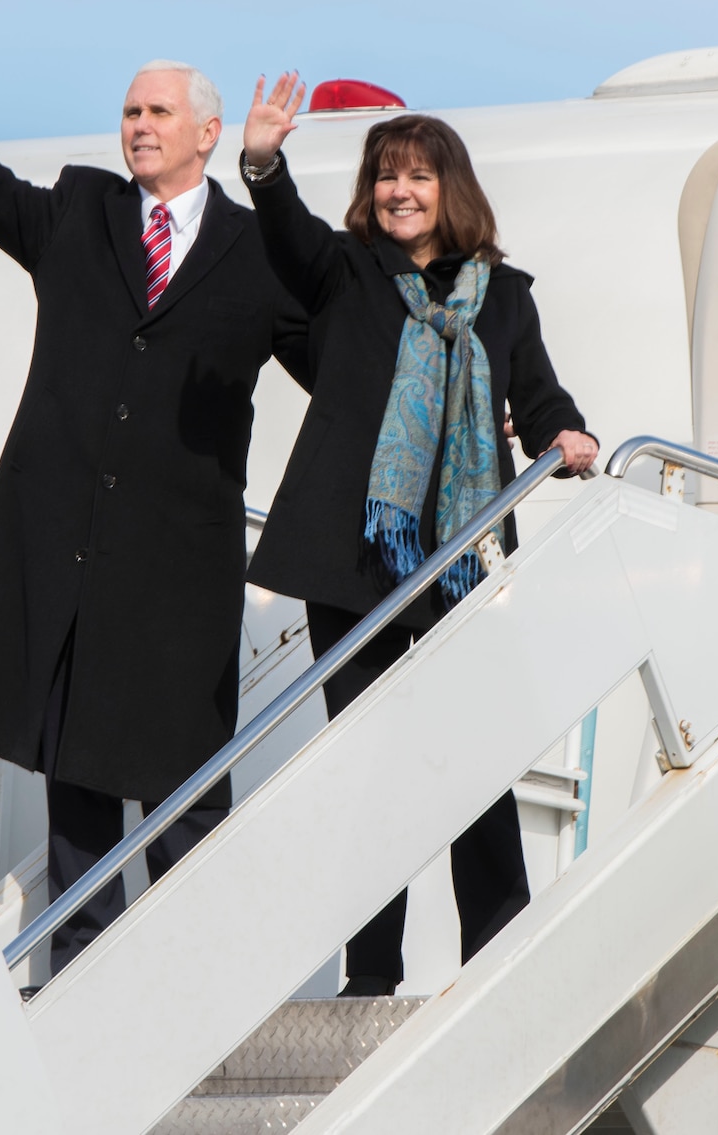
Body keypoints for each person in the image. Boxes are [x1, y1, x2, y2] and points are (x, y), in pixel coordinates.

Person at [0, 0, 307, 973]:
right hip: (72, 552)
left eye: (156, 112)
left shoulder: (254, 256)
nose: (136, 127)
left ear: (207, 134)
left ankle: (200, 977)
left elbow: (337, 361)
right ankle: (81, 966)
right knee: (76, 789)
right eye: (127, 112)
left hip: (179, 563)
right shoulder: (79, 214)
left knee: (186, 787)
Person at [237, 71, 599, 996]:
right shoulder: (348, 273)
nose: (400, 192)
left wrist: (570, 429)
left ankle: (500, 953)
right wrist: (265, 165)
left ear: (452, 191)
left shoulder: (506, 297)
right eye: (386, 176)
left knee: (473, 759)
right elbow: (287, 237)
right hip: (349, 559)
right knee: (368, 767)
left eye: (418, 178)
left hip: (461, 561)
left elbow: (539, 391)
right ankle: (371, 976)